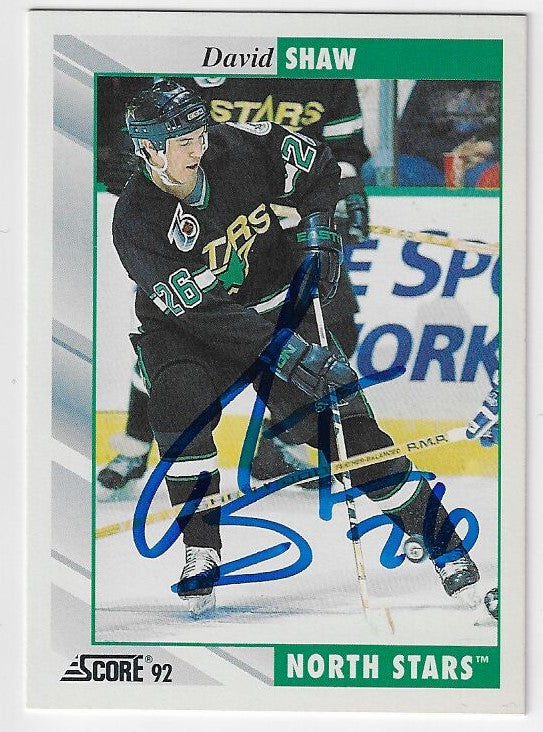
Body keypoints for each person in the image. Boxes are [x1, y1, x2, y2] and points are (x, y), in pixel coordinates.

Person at [110, 79, 480, 616]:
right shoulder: (136, 219)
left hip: (274, 306)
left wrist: (319, 230)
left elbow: (320, 168)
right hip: (189, 331)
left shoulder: (238, 147)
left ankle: (443, 543)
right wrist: (281, 351)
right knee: (179, 408)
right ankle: (201, 549)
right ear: (148, 148)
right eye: (183, 141)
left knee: (348, 434)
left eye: (199, 134)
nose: (198, 148)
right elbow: (198, 311)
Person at [98, 76, 370, 495]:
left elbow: (342, 146)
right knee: (178, 345)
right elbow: (154, 121)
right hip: (204, 232)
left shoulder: (321, 69)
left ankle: (280, 442)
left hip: (282, 232)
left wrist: (339, 197)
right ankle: (136, 443)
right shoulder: (214, 56)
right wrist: (121, 157)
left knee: (336, 325)